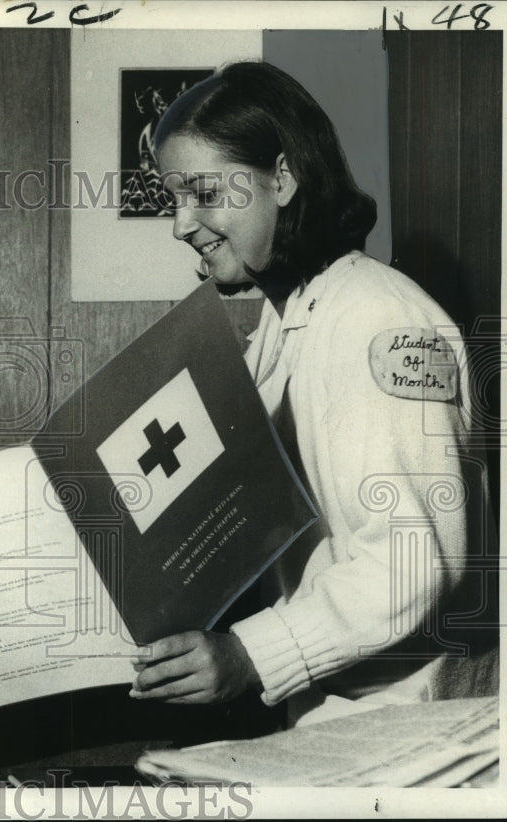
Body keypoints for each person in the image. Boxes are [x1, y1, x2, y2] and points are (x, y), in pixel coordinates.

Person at [130, 61, 498, 726]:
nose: (183, 224)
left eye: (205, 193)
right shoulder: (284, 321)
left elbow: (412, 561)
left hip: (414, 726)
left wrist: (250, 654)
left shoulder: (379, 320)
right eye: (174, 198)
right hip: (333, 715)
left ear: (282, 177)